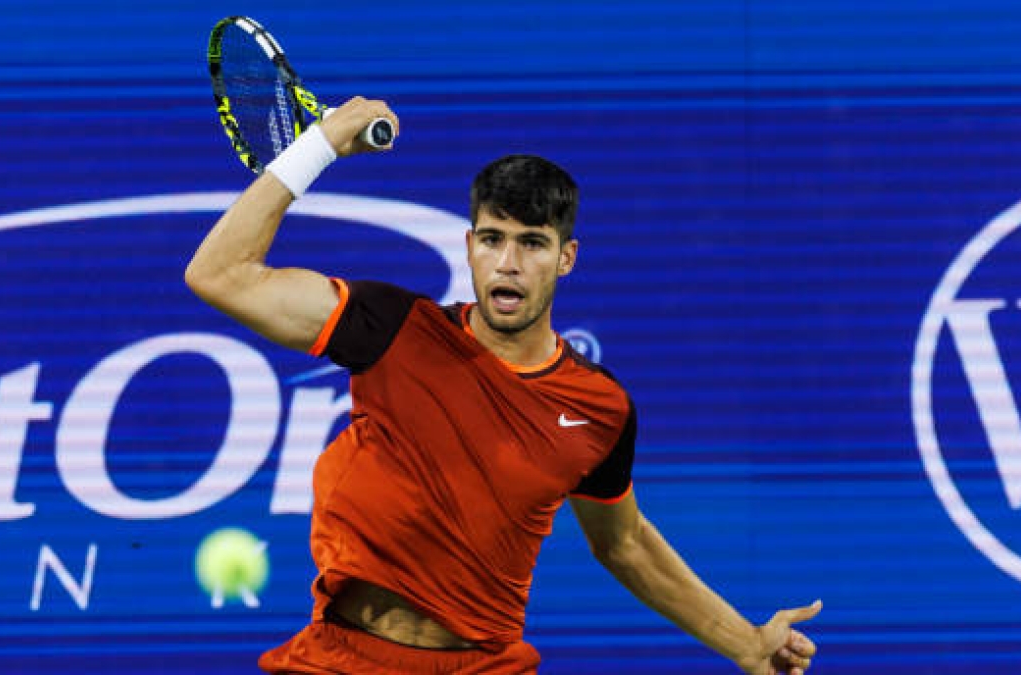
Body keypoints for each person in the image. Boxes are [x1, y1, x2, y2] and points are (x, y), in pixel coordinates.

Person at [185, 96, 821, 674]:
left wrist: (744, 641)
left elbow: (625, 544)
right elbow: (220, 274)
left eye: (532, 244)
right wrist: (319, 143)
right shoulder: (393, 328)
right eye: (492, 239)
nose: (509, 262)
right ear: (468, 247)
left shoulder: (600, 409)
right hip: (343, 657)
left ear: (565, 258)